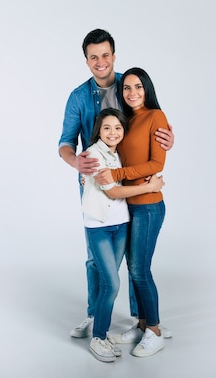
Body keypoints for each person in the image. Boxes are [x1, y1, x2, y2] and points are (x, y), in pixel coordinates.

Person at [58, 28, 174, 339]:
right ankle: (95, 315)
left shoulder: (129, 87)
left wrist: (165, 139)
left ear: (114, 56)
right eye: (93, 56)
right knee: (96, 258)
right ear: (86, 61)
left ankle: (143, 321)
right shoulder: (78, 97)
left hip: (132, 185)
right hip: (97, 188)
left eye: (105, 55)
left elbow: (149, 121)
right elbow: (65, 143)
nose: (100, 61)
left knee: (135, 260)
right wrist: (74, 161)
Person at [82, 107, 165, 362]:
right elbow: (113, 192)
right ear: (99, 130)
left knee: (118, 278)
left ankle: (142, 328)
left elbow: (140, 167)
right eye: (107, 127)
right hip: (99, 227)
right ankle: (98, 336)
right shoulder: (93, 155)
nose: (113, 132)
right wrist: (151, 185)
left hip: (122, 225)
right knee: (112, 282)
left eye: (118, 128)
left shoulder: (118, 155)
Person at [96, 67, 169, 357]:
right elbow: (109, 147)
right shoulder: (125, 120)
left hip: (149, 205)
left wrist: (117, 173)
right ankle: (140, 324)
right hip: (128, 205)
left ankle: (154, 330)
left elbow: (155, 164)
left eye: (138, 86)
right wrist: (87, 167)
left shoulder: (156, 117)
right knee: (134, 269)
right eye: (126, 88)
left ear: (146, 88)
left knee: (140, 269)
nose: (132, 92)